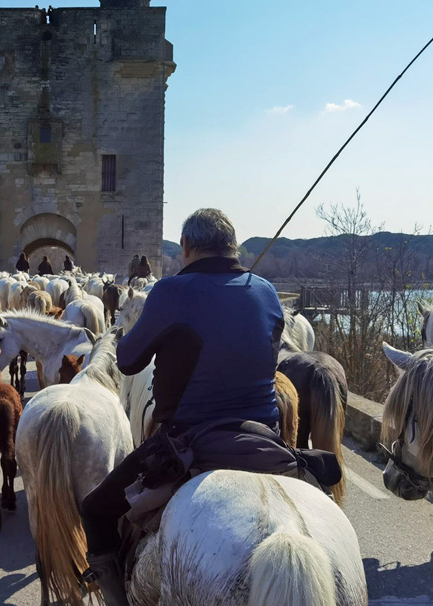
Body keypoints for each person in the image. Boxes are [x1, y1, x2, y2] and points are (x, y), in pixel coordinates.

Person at [79, 208, 286, 606]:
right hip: (266, 440)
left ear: (187, 246)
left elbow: (126, 361)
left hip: (189, 442)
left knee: (94, 509)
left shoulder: (171, 291)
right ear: (233, 245)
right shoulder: (265, 290)